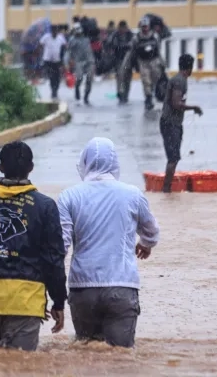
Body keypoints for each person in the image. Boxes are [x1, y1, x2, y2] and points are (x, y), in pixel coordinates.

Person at [0, 141, 67, 351]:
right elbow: (54, 259)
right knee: (20, 367)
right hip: (26, 301)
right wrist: (58, 301)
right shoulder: (45, 207)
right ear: (31, 168)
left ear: (0, 167)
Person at [57, 137, 160, 348]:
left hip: (82, 289)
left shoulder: (68, 196)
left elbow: (60, 246)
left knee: (86, 355)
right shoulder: (132, 194)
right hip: (121, 287)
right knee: (120, 359)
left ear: (84, 162)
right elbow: (152, 230)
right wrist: (146, 244)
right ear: (115, 164)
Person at [160, 54, 203, 193]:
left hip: (171, 123)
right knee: (173, 158)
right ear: (190, 68)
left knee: (174, 158)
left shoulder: (179, 79)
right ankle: (166, 190)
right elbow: (176, 104)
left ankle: (167, 190)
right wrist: (194, 108)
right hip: (171, 123)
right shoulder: (180, 81)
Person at [120, 17, 165, 110]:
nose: (145, 29)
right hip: (143, 62)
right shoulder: (137, 38)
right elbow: (131, 52)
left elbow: (159, 50)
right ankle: (148, 98)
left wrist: (162, 63)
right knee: (146, 81)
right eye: (143, 27)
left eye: (146, 27)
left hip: (154, 61)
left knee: (155, 79)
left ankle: (154, 94)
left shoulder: (154, 36)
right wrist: (128, 65)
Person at [103, 20, 134, 102]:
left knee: (128, 78)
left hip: (128, 59)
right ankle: (120, 93)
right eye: (122, 28)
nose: (123, 30)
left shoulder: (130, 34)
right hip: (119, 59)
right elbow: (111, 45)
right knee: (120, 77)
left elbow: (134, 44)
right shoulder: (115, 35)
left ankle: (126, 94)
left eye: (124, 28)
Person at [67, 23, 95, 105]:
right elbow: (68, 52)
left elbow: (89, 50)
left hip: (89, 61)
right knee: (79, 78)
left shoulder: (86, 39)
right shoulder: (72, 41)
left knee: (89, 79)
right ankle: (77, 88)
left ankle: (86, 96)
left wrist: (93, 62)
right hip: (78, 61)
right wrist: (69, 62)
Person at [39, 25, 68, 100]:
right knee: (51, 76)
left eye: (56, 31)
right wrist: (43, 52)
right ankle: (53, 91)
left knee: (57, 77)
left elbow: (65, 46)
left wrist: (63, 55)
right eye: (53, 31)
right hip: (48, 60)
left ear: (57, 32)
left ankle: (56, 90)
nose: (54, 33)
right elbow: (40, 44)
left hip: (57, 61)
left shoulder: (60, 38)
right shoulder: (46, 37)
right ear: (51, 31)